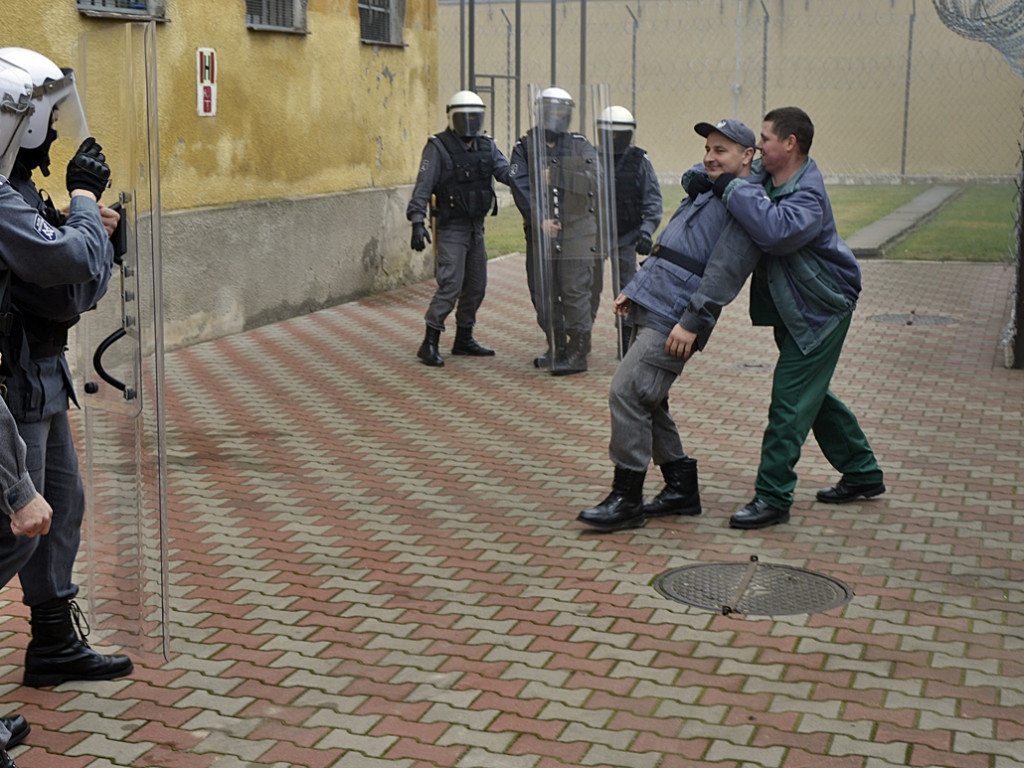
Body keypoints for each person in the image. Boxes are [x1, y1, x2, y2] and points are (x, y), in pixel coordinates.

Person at [675, 106, 886, 530]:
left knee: (790, 402)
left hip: (822, 308)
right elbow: (723, 172)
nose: (759, 146)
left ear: (790, 143)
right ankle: (862, 471)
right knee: (813, 394)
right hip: (793, 308)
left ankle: (773, 496)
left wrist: (729, 188)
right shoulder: (769, 177)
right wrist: (701, 179)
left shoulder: (807, 193)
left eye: (766, 139)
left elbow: (774, 230)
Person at [0, 47, 132, 690]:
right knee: (18, 522)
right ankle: (50, 641)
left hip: (45, 370)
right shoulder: (4, 200)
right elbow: (69, 270)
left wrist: (100, 236)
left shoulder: (21, 191)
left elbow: (77, 288)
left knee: (63, 507)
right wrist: (85, 208)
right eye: (46, 121)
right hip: (14, 381)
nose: (53, 133)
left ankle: (53, 642)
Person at [577, 119, 760, 532]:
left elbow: (725, 272)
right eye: (709, 148)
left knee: (626, 391)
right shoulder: (708, 189)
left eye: (722, 150)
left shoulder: (744, 200)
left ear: (747, 156)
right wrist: (635, 289)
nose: (711, 156)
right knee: (648, 399)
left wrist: (692, 322)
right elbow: (671, 246)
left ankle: (627, 498)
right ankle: (681, 487)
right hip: (653, 300)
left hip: (677, 316)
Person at [408, 90, 511, 367]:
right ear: (451, 116)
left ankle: (464, 338)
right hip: (451, 228)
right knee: (450, 284)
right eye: (463, 116)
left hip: (476, 229)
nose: (469, 122)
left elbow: (506, 172)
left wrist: (530, 175)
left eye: (474, 117)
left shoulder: (487, 146)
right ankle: (429, 341)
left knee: (476, 286)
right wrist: (417, 221)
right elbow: (423, 186)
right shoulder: (437, 147)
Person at [509, 87, 602, 375]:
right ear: (540, 112)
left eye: (562, 111)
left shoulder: (580, 144)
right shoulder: (525, 148)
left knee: (574, 290)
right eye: (551, 110)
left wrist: (561, 174)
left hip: (577, 228)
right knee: (543, 292)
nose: (557, 116)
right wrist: (539, 221)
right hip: (542, 233)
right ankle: (557, 345)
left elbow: (596, 180)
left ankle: (577, 353)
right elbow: (520, 186)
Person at [595, 106, 662, 354]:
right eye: (609, 133)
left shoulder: (639, 161)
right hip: (594, 237)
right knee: (585, 291)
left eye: (619, 134)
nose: (613, 138)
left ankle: (626, 342)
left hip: (626, 237)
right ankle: (578, 341)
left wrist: (646, 231)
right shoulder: (589, 158)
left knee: (627, 290)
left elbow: (653, 200)